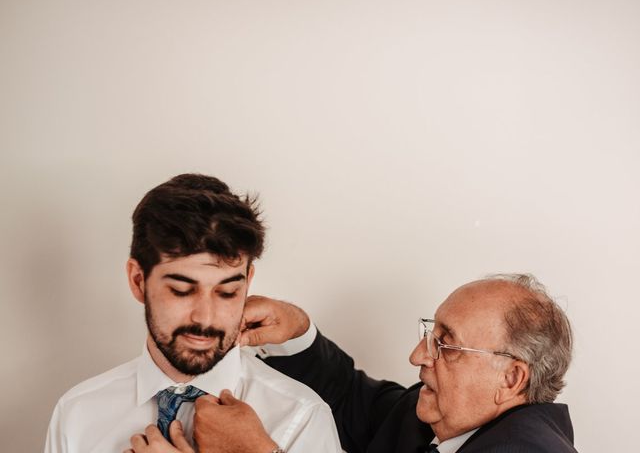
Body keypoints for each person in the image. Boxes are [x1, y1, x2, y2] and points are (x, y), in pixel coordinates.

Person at [44, 174, 341, 453]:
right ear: (138, 281)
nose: (205, 318)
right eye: (181, 291)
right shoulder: (77, 412)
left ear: (247, 282)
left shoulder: (301, 418)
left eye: (227, 292)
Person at [181, 273, 578, 452]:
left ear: (511, 378)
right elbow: (353, 398)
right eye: (430, 335)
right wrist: (297, 332)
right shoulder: (434, 419)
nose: (418, 355)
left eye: (448, 345)